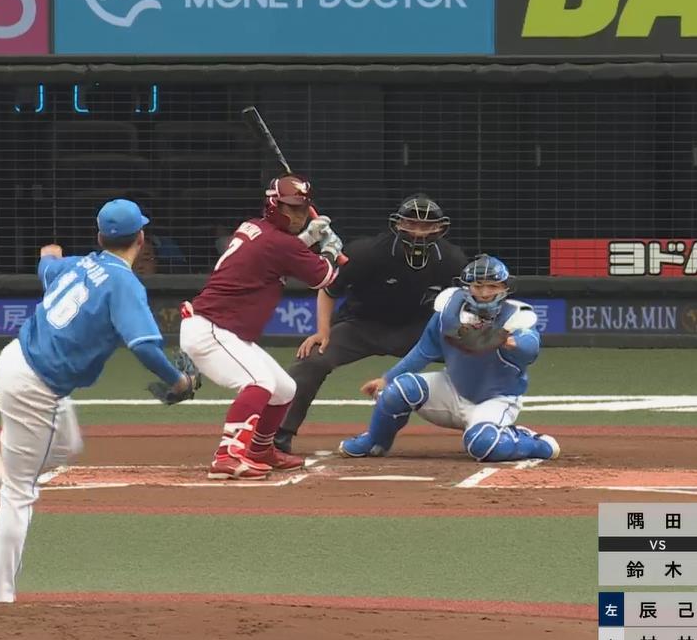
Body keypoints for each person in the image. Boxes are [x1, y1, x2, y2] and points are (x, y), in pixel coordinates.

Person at [0, 199, 199, 603]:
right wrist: (178, 380)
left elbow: (47, 265)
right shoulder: (123, 283)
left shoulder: (80, 264)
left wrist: (49, 253)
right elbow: (144, 346)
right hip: (35, 385)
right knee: (19, 492)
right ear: (141, 238)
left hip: (17, 360)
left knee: (65, 444)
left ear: (100, 237)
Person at [179, 174, 344, 480]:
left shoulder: (256, 228)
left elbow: (280, 255)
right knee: (259, 383)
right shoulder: (279, 243)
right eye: (290, 207)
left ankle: (259, 449)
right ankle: (227, 455)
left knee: (284, 389)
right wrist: (331, 249)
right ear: (273, 205)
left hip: (224, 329)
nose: (298, 215)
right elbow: (324, 276)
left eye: (302, 208)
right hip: (211, 329)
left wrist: (307, 239)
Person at [276, 193, 467, 453]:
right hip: (361, 325)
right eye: (412, 224)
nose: (418, 232)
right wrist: (322, 331)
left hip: (418, 332)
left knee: (476, 354)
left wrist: (469, 338)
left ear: (440, 228)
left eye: (426, 226)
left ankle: (487, 423)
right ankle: (278, 435)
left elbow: (463, 301)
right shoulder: (367, 252)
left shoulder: (452, 259)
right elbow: (329, 290)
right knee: (312, 359)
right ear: (397, 224)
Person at [337, 255, 560, 464]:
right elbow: (423, 351)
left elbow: (530, 349)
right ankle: (375, 442)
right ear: (467, 287)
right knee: (397, 391)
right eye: (478, 286)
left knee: (483, 444)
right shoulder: (448, 312)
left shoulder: (516, 316)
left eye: (492, 286)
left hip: (495, 399)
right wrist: (387, 379)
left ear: (504, 288)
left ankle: (535, 443)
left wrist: (507, 341)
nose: (484, 293)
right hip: (452, 388)